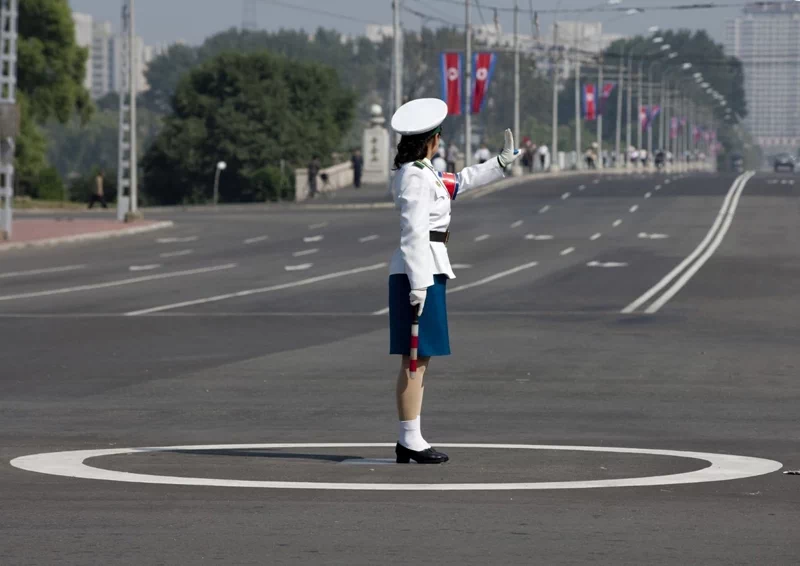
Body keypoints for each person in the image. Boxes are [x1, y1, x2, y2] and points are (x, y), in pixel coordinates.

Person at [388, 98, 521, 464]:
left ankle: (410, 437)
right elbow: (413, 232)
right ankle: (410, 439)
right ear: (431, 139)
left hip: (427, 267)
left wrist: (500, 163)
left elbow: (459, 182)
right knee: (414, 359)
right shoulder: (415, 175)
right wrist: (418, 284)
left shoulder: (422, 170)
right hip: (419, 270)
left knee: (420, 357)